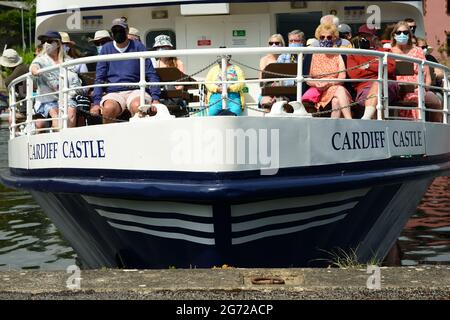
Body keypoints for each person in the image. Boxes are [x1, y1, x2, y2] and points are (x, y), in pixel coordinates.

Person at [92, 18, 161, 123]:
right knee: (108, 109)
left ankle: (138, 137)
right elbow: (99, 77)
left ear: (127, 31)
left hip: (136, 90)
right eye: (115, 31)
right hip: (114, 92)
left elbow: (150, 73)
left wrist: (155, 98)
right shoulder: (106, 49)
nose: (118, 33)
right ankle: (110, 137)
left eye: (120, 30)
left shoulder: (138, 47)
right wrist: (96, 103)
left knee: (138, 106)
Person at [390, 21, 442, 121]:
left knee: (436, 102)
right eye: (399, 32)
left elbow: (427, 75)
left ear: (409, 35)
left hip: (418, 88)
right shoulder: (389, 52)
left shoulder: (418, 51)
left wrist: (424, 88)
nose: (402, 35)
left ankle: (435, 129)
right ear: (394, 35)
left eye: (405, 33)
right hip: (397, 89)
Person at [30, 31, 82, 129]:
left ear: (58, 44)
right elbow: (34, 66)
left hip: (67, 97)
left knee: (71, 112)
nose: (45, 44)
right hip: (47, 100)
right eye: (43, 42)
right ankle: (58, 140)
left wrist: (70, 94)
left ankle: (68, 139)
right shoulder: (41, 59)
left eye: (49, 41)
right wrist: (35, 70)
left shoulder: (68, 61)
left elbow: (75, 82)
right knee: (56, 116)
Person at [307, 24, 352, 119]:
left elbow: (342, 78)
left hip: (334, 87)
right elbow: (308, 79)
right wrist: (316, 84)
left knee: (336, 99)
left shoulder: (338, 55)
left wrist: (329, 82)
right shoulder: (314, 55)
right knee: (338, 93)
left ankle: (336, 126)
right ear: (318, 38)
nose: (325, 40)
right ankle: (349, 121)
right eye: (322, 37)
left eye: (329, 37)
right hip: (319, 91)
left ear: (334, 38)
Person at [347, 35, 398, 119]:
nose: (364, 39)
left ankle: (366, 118)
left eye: (368, 36)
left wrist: (367, 66)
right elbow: (354, 74)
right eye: (362, 36)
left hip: (387, 85)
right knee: (377, 93)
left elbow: (390, 68)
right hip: (364, 88)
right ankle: (377, 126)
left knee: (378, 83)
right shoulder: (353, 54)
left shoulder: (385, 51)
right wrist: (378, 68)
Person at [152, 35, 187, 114]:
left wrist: (175, 92)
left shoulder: (178, 63)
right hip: (159, 96)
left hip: (174, 97)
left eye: (165, 47)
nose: (161, 50)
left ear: (170, 48)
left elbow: (181, 85)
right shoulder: (155, 63)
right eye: (159, 47)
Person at [0, 48, 29, 123]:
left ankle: (16, 133)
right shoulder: (23, 67)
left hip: (27, 105)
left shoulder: (20, 70)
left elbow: (7, 82)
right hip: (27, 102)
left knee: (12, 119)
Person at [259, 34, 285, 109]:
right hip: (267, 90)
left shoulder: (286, 58)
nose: (273, 45)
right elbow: (261, 81)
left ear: (282, 45)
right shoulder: (264, 59)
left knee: (283, 103)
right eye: (271, 43)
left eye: (277, 43)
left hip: (283, 90)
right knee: (267, 103)